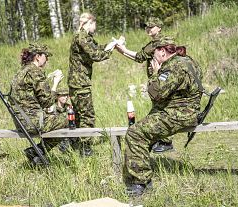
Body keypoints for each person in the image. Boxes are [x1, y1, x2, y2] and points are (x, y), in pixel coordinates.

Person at [123, 40, 203, 196]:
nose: (152, 60)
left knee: (135, 133)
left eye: (153, 55)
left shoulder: (173, 67)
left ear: (162, 52)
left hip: (179, 114)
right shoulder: (187, 60)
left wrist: (154, 74)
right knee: (143, 128)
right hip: (186, 110)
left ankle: (141, 182)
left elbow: (156, 93)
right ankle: (142, 169)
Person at [116, 17, 174, 153]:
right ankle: (162, 140)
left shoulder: (157, 43)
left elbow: (139, 56)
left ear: (159, 28)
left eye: (151, 27)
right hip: (159, 79)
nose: (148, 29)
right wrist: (123, 51)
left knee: (161, 109)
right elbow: (140, 58)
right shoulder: (156, 41)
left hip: (161, 80)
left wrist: (123, 49)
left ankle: (165, 141)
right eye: (147, 26)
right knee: (159, 108)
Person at [10, 43, 68, 166]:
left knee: (56, 117)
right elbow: (47, 102)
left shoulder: (21, 71)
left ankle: (36, 153)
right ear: (37, 56)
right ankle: (38, 151)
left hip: (21, 121)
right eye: (45, 57)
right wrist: (55, 83)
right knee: (67, 119)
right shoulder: (35, 72)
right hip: (32, 122)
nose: (47, 60)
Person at [67, 12, 113, 156]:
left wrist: (111, 45)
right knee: (87, 115)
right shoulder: (81, 37)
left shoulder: (85, 37)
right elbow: (96, 55)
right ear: (90, 23)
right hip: (80, 82)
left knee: (78, 115)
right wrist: (111, 49)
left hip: (78, 81)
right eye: (95, 24)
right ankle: (85, 147)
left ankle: (73, 143)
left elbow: (97, 48)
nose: (95, 27)